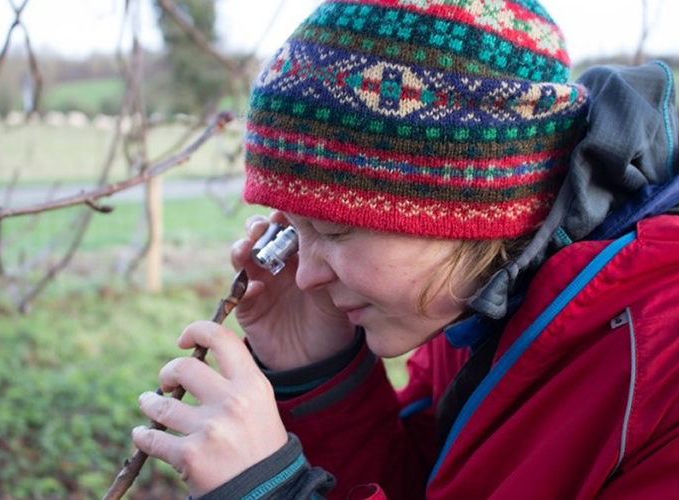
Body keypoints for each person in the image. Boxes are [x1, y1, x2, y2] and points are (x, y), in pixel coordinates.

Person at [131, 0, 679, 498]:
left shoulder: (660, 362)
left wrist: (275, 492)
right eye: (296, 231)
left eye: (337, 232)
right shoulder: (472, 302)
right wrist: (315, 369)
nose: (304, 276)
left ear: (474, 205)